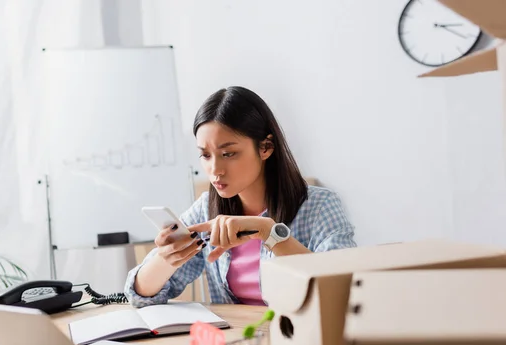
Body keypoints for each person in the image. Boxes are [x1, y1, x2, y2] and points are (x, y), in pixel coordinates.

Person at [124, 86, 356, 308]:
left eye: (228, 153)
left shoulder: (320, 206)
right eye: (205, 155)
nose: (215, 169)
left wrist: (269, 232)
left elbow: (343, 286)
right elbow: (141, 296)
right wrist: (165, 259)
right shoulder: (206, 209)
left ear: (265, 147)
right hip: (240, 343)